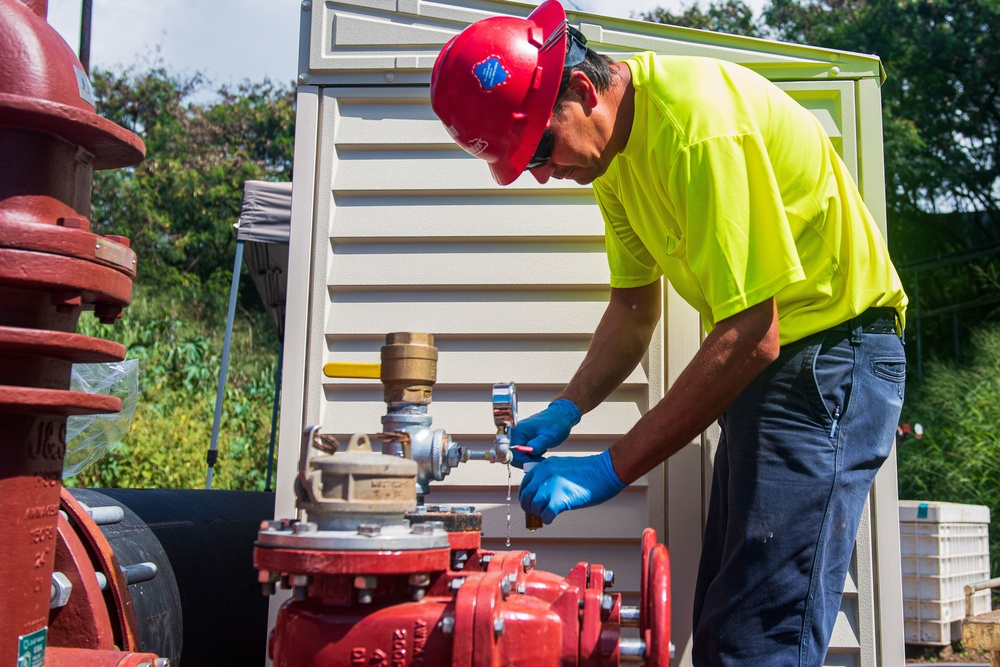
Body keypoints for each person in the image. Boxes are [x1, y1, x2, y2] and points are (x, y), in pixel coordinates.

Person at [430, 1, 908, 664]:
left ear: (581, 90)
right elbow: (632, 312)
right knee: (720, 627)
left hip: (830, 359)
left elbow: (751, 331)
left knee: (758, 638)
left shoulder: (697, 127)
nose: (542, 173)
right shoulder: (612, 162)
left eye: (540, 148)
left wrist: (609, 467)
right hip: (776, 372)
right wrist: (569, 407)